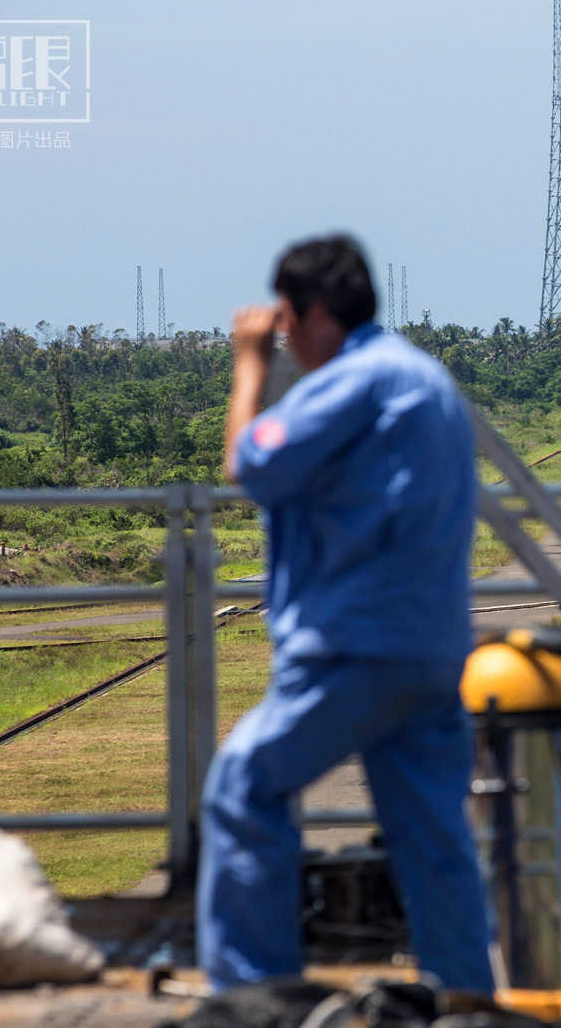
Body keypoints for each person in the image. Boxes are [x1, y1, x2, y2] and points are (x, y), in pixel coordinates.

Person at [198, 235, 494, 995]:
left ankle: (254, 992)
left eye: (289, 320)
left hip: (354, 645)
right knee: (433, 835)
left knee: (243, 785)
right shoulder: (425, 379)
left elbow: (252, 463)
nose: (285, 334)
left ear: (318, 314)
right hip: (432, 646)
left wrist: (251, 366)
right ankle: (465, 996)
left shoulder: (355, 381)